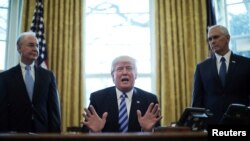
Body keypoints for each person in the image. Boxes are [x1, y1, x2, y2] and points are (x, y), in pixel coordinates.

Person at [0, 32, 61, 133]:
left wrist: (55, 134)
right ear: (19, 48)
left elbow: (53, 109)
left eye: (37, 45)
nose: (35, 49)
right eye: (31, 45)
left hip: (42, 131)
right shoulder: (5, 77)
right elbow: (2, 110)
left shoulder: (48, 76)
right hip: (15, 132)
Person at [81, 55, 161, 133]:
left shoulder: (150, 100)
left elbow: (159, 133)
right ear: (113, 76)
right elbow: (85, 132)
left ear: (136, 75)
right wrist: (96, 131)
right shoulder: (97, 98)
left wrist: (148, 131)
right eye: (119, 69)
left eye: (129, 68)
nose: (125, 72)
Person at [191, 25, 250, 125]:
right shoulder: (202, 67)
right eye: (210, 39)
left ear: (227, 38)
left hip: (240, 122)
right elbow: (197, 100)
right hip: (211, 124)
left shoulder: (246, 64)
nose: (212, 41)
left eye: (216, 37)